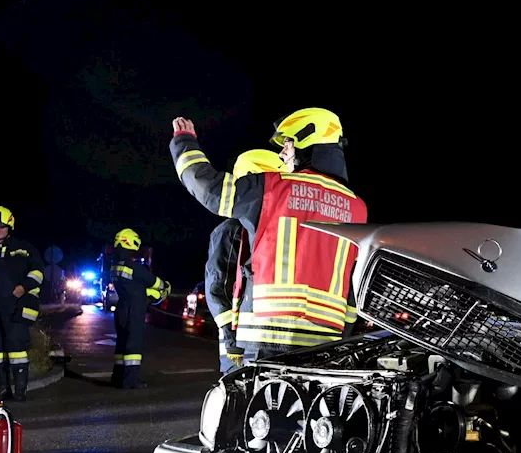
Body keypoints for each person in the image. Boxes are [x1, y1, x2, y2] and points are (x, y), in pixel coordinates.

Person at [168, 108, 368, 361]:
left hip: (268, 334)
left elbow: (209, 189)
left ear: (307, 142)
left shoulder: (274, 186)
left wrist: (184, 142)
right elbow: (353, 281)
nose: (283, 153)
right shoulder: (357, 207)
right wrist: (344, 333)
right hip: (326, 341)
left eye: (288, 144)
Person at [206, 149, 287, 373]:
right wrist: (231, 339)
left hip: (263, 341)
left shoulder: (269, 229)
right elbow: (217, 286)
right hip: (239, 343)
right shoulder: (232, 230)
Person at [0, 206, 45, 401]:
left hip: (15, 306)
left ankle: (20, 391)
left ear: (10, 226)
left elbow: (38, 271)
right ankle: (0, 388)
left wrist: (24, 286)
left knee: (17, 348)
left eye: (2, 226)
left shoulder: (24, 248)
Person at [110, 228, 170, 389]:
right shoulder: (135, 267)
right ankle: (131, 381)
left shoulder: (115, 266)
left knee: (121, 345)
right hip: (134, 310)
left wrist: (145, 291)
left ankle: (117, 377)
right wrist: (165, 288)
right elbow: (156, 282)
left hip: (121, 308)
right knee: (133, 346)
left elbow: (132, 286)